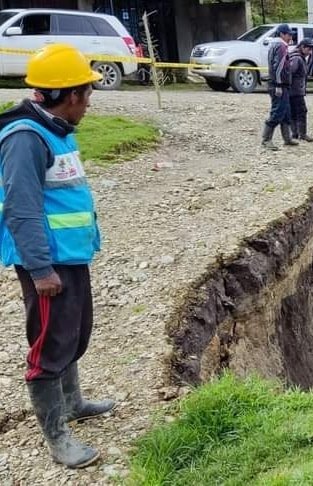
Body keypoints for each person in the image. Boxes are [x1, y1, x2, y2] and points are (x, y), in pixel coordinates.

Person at [0, 43, 115, 469]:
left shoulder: (55, 130)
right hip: (47, 263)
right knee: (49, 345)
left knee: (75, 332)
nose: (89, 102)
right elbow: (21, 207)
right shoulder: (26, 139)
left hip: (70, 255)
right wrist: (40, 268)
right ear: (71, 95)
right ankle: (57, 436)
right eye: (88, 93)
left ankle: (73, 402)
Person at [262, 23, 298, 150]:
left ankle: (287, 138)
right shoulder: (281, 46)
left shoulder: (274, 45)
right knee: (277, 111)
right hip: (279, 85)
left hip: (281, 84)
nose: (290, 37)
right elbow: (279, 67)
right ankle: (266, 139)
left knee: (286, 112)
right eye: (288, 34)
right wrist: (278, 84)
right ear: (282, 34)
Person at [288, 38, 313, 142]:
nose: (310, 52)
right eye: (309, 49)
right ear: (302, 47)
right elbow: (291, 72)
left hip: (293, 90)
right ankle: (302, 134)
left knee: (293, 112)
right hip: (296, 91)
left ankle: (295, 133)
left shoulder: (295, 56)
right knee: (301, 111)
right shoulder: (297, 58)